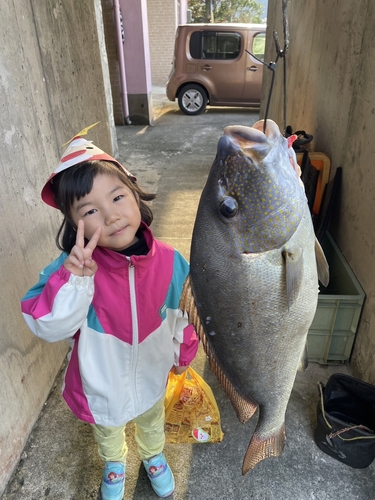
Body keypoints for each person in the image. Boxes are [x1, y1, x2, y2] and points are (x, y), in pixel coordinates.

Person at [21, 134, 199, 500]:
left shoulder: (171, 262)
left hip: (152, 371)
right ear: (74, 225)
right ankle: (115, 463)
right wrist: (74, 280)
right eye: (89, 210)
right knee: (108, 429)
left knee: (152, 419)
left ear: (135, 194)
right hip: (101, 381)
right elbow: (47, 324)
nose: (111, 215)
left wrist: (183, 356)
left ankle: (152, 455)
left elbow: (185, 315)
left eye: (117, 197)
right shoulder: (72, 270)